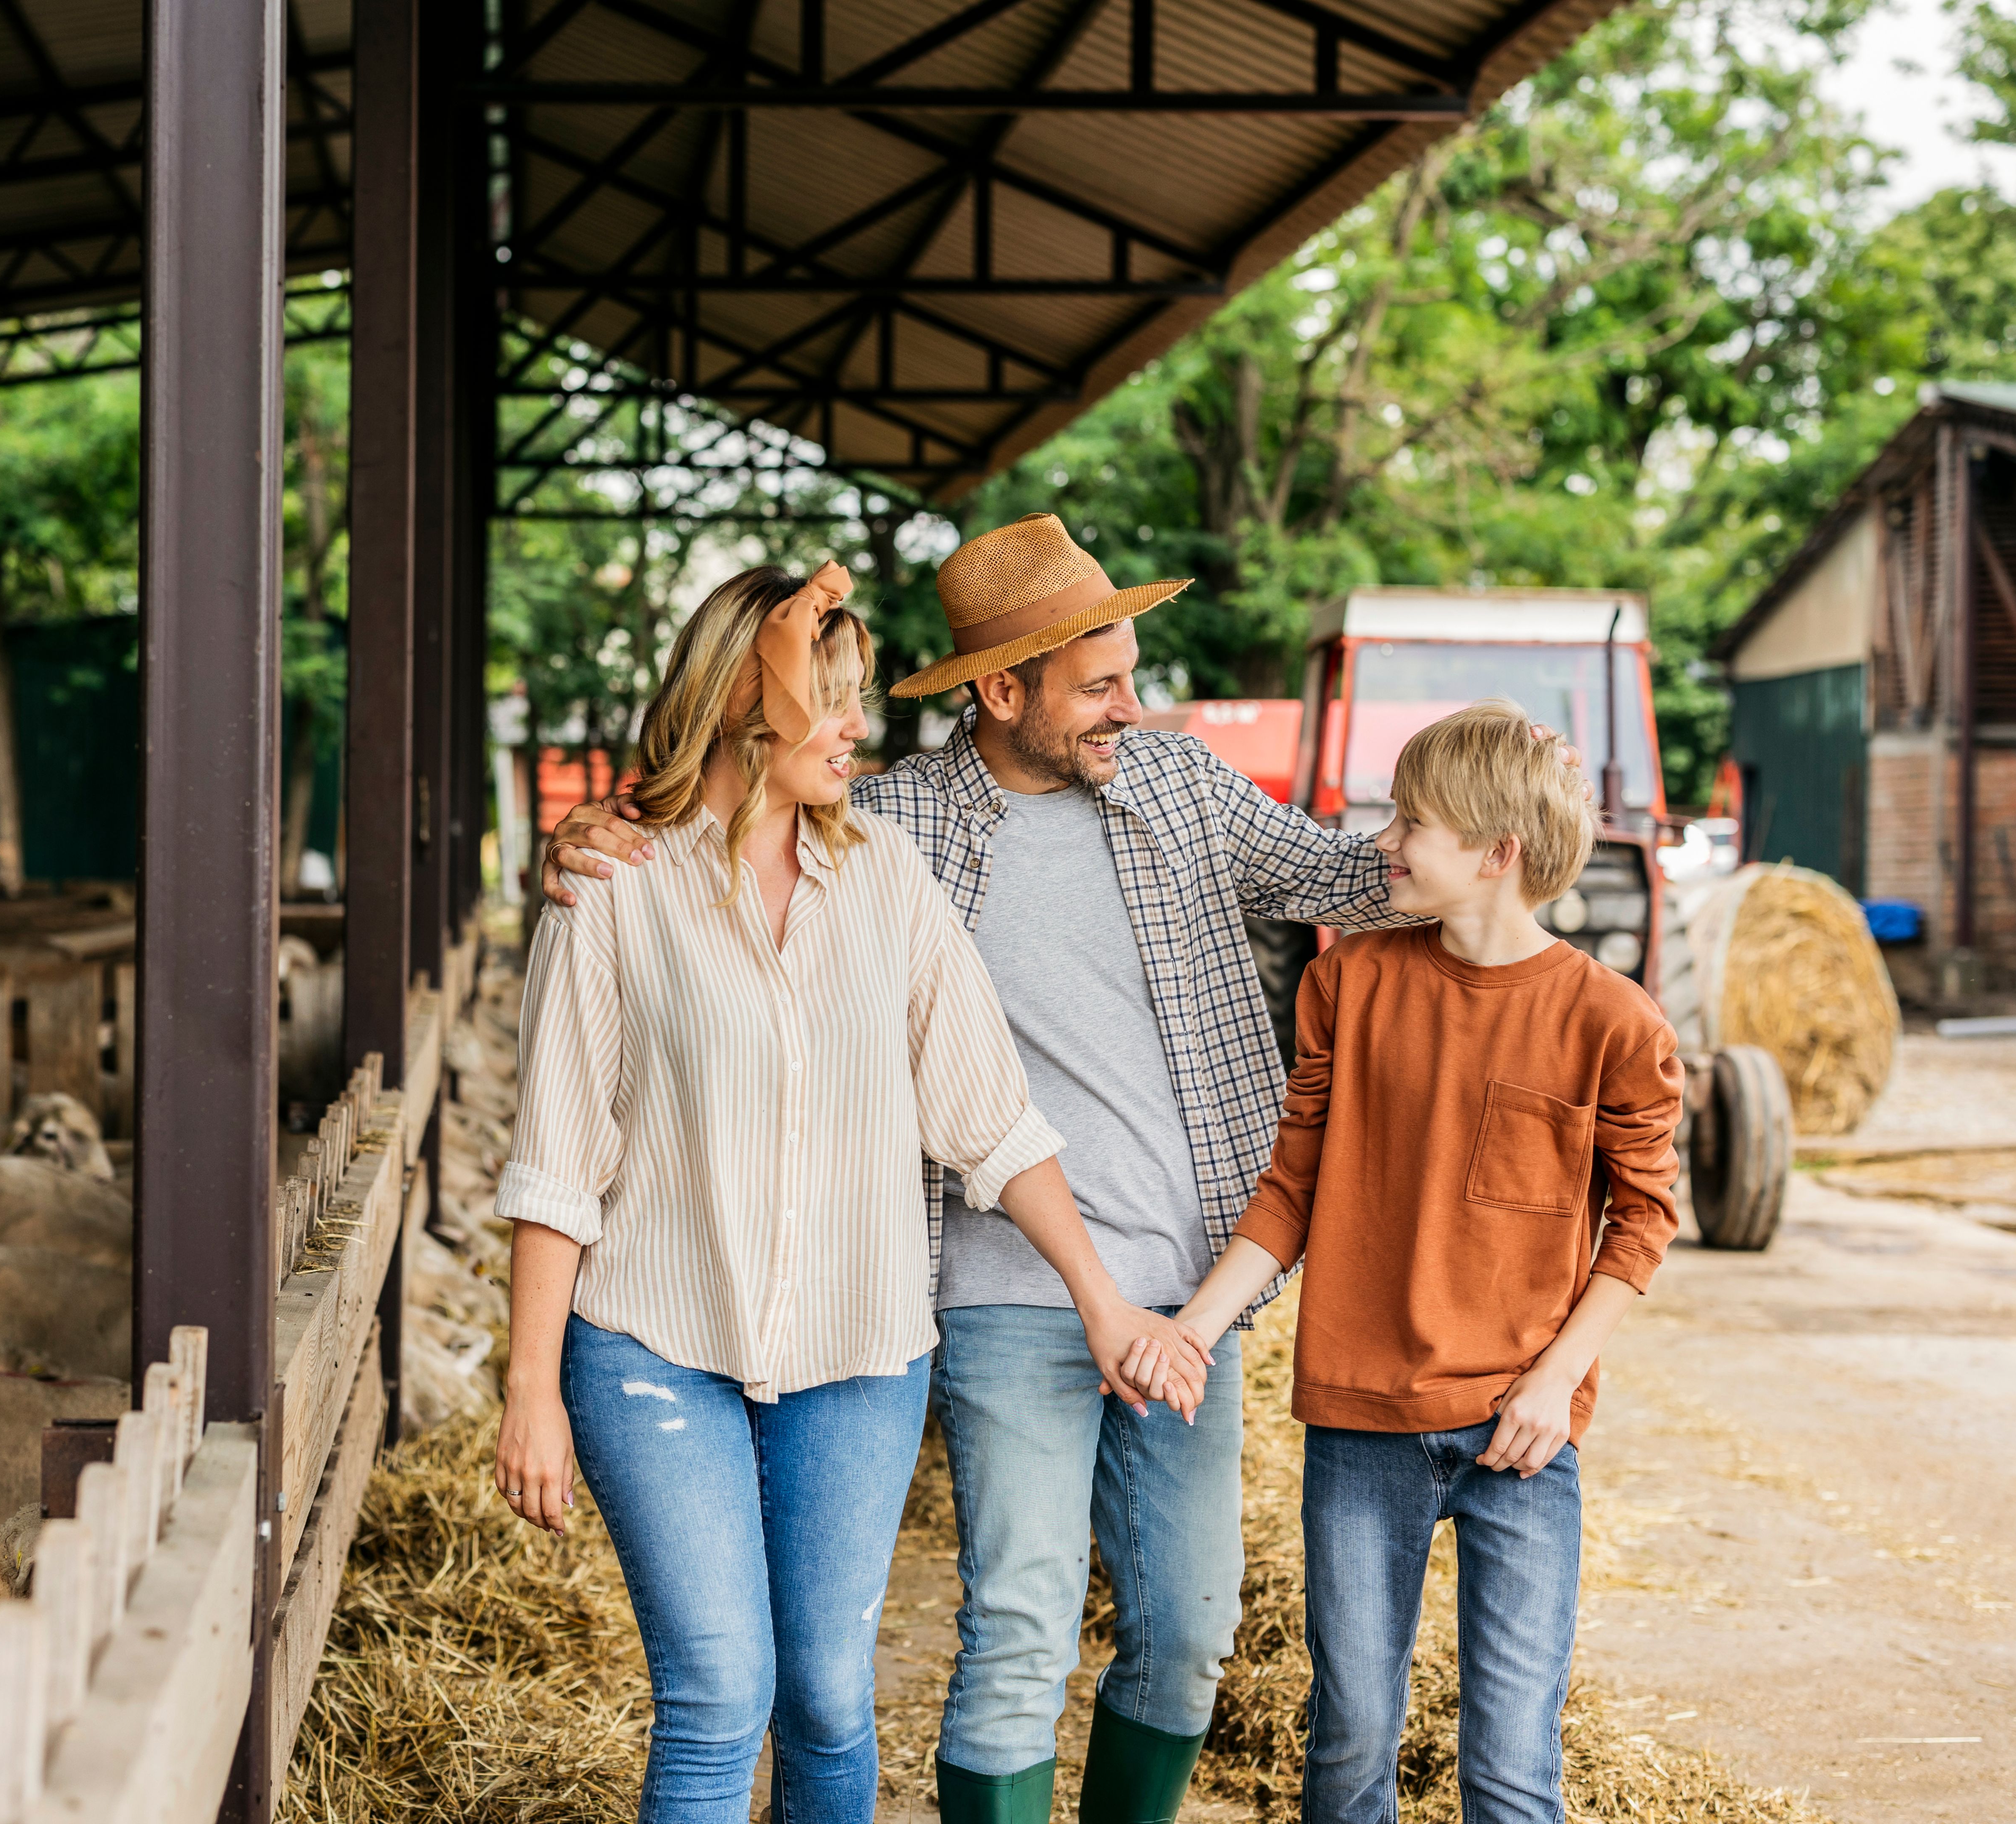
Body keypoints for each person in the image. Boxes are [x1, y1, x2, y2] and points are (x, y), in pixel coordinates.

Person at [544, 514, 1417, 1824]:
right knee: (1015, 1623)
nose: (1135, 703)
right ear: (1004, 692)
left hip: (1188, 1288)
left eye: (1132, 672)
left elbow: (1356, 879)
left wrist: (1485, 823)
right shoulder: (891, 822)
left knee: (1187, 1634)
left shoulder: (1184, 790)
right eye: (1102, 683)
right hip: (996, 1278)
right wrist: (594, 837)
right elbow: (724, 817)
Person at [1145, 698, 1684, 1824]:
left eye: (1413, 822)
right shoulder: (1349, 986)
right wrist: (1193, 1327)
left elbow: (1641, 1223)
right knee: (1347, 1752)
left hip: (1521, 1432)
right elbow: (1291, 1191)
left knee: (1512, 1767)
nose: (1383, 842)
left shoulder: (1613, 1024)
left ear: (1498, 855)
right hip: (1363, 1423)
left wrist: (1555, 1380)